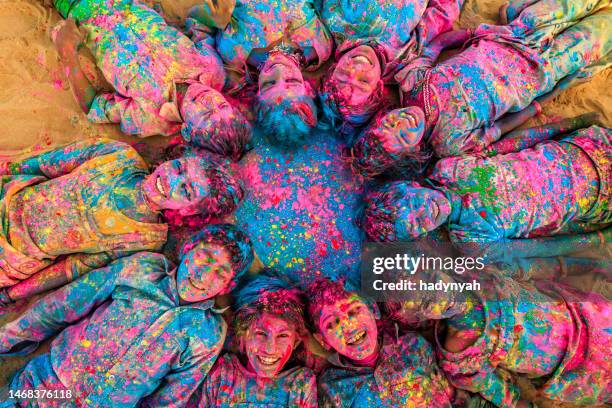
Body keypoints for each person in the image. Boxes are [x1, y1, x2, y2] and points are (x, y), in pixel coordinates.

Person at [0, 224, 254, 407]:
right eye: (204, 257)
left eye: (221, 273)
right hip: (47, 384)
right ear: (188, 248)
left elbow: (171, 397)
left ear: (228, 286)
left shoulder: (209, 333)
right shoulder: (142, 269)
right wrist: (8, 337)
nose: (203, 275)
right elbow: (65, 303)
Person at [0, 139, 243, 303]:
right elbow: (49, 162)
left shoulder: (146, 240)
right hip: (8, 196)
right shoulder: (119, 155)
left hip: (13, 257)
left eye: (187, 191)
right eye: (179, 168)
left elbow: (73, 268)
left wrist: (13, 294)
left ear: (188, 212)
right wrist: (8, 168)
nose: (171, 180)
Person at [375, 0, 612, 158]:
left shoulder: (410, 84)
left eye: (390, 123)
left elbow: (438, 44)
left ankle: (513, 13)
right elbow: (501, 127)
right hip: (544, 68)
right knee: (604, 29)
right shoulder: (448, 144)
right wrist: (557, 90)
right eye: (403, 136)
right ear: (412, 152)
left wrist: (481, 32)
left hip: (514, 34)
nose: (403, 122)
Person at [50, 0, 250, 160]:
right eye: (222, 106)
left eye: (206, 115)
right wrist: (213, 16)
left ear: (188, 131)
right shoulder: (212, 69)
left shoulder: (148, 118)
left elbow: (94, 107)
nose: (209, 101)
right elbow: (197, 24)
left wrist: (68, 55)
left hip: (76, 9)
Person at [362, 120, 611, 244]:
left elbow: (509, 145)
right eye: (417, 224)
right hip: (601, 200)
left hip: (585, 149)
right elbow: (536, 242)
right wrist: (593, 238)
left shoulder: (450, 168)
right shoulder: (470, 237)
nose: (425, 212)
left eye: (415, 203)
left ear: (413, 186)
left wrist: (569, 123)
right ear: (420, 235)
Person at [390, 268, 612, 406]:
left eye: (433, 281)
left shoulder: (482, 278)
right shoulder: (459, 350)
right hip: (580, 371)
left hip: (590, 318)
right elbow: (503, 394)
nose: (441, 295)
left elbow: (535, 273)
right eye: (428, 302)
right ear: (423, 316)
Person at [186, 0, 333, 146]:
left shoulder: (234, 52)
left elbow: (196, 20)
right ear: (308, 89)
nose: (279, 71)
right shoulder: (321, 46)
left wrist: (213, 17)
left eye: (269, 83)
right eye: (291, 81)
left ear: (257, 94)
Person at [318, 0, 464, 138]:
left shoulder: (336, 21)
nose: (357, 67)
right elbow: (441, 16)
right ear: (379, 88)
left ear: (333, 68)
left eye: (343, 73)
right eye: (363, 81)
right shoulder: (407, 56)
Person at [306, 278, 455, 407]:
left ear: (373, 309)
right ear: (322, 340)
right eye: (332, 323)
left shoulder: (414, 346)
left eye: (354, 310)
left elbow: (450, 394)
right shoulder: (331, 387)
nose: (349, 326)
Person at [188, 272, 317, 407]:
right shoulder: (223, 374)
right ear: (242, 337)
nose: (270, 349)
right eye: (261, 333)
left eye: (283, 336)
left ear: (296, 341)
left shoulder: (300, 384)